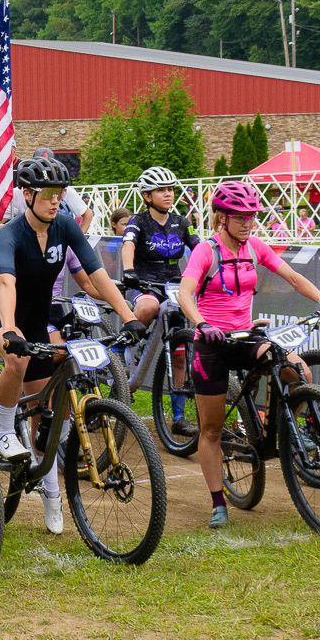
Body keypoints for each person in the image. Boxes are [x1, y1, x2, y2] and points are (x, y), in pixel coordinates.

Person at [0, 157, 145, 535]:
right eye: (48, 194)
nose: (56, 200)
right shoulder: (11, 233)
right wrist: (10, 328)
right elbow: (7, 284)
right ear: (27, 195)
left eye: (60, 194)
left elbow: (96, 274)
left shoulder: (64, 227)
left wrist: (127, 315)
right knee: (17, 361)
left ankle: (50, 491)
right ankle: (4, 430)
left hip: (39, 321)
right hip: (3, 317)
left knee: (45, 413)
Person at [178, 181, 320, 529]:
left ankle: (291, 430)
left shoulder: (255, 247)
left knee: (298, 370)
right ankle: (219, 502)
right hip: (212, 343)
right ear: (222, 218)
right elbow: (185, 293)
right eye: (239, 217)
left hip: (247, 335)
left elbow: (294, 277)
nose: (247, 223)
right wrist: (202, 323)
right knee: (211, 430)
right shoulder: (206, 251)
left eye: (251, 216)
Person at [119, 166, 200, 437]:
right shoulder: (138, 221)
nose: (168, 194)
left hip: (175, 287)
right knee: (148, 307)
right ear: (146, 196)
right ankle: (123, 350)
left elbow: (199, 249)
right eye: (161, 190)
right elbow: (128, 245)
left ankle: (178, 417)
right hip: (144, 285)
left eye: (170, 189)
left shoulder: (181, 221)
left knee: (179, 356)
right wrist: (129, 270)